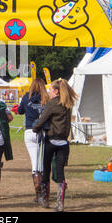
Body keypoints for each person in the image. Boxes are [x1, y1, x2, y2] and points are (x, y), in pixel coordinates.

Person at [32, 78, 78, 212]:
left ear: (56, 91)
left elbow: (42, 120)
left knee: (46, 170)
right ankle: (60, 203)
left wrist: (35, 128)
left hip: (51, 141)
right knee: (60, 173)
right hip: (64, 143)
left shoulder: (52, 104)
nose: (49, 92)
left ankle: (45, 199)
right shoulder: (68, 103)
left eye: (51, 90)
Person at [17, 78, 49, 203]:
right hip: (42, 131)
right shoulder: (46, 98)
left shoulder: (26, 97)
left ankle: (38, 194)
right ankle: (42, 193)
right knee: (42, 163)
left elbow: (20, 111)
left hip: (29, 131)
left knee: (35, 163)